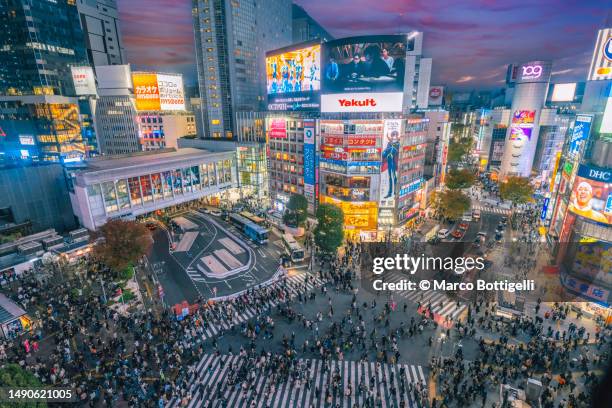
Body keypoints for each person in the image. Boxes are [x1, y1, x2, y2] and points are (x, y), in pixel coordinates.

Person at [381, 129, 400, 198]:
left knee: (394, 177)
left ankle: (394, 191)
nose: (394, 137)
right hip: (389, 162)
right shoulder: (389, 143)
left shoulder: (398, 144)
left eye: (395, 135)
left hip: (394, 162)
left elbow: (396, 151)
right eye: (393, 135)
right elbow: (385, 152)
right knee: (390, 177)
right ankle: (390, 192)